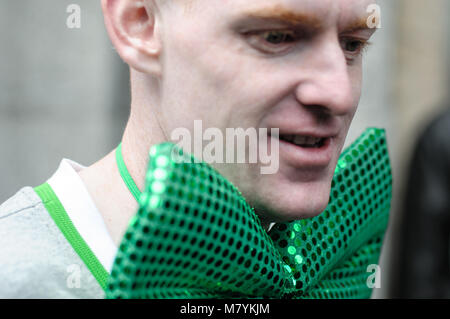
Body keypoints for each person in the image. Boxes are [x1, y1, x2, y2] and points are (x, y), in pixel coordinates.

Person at [0, 0, 379, 298]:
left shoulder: (326, 269)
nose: (339, 94)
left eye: (352, 44)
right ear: (140, 24)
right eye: (277, 37)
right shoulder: (15, 278)